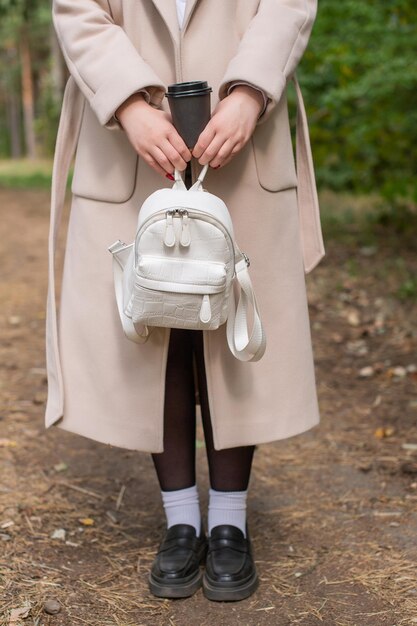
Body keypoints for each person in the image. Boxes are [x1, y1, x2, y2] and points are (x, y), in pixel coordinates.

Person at [46, 0, 324, 602]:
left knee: (235, 325)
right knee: (154, 329)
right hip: (128, 143)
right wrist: (128, 106)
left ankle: (229, 521)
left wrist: (250, 92)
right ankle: (181, 523)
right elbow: (77, 10)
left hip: (242, 138)